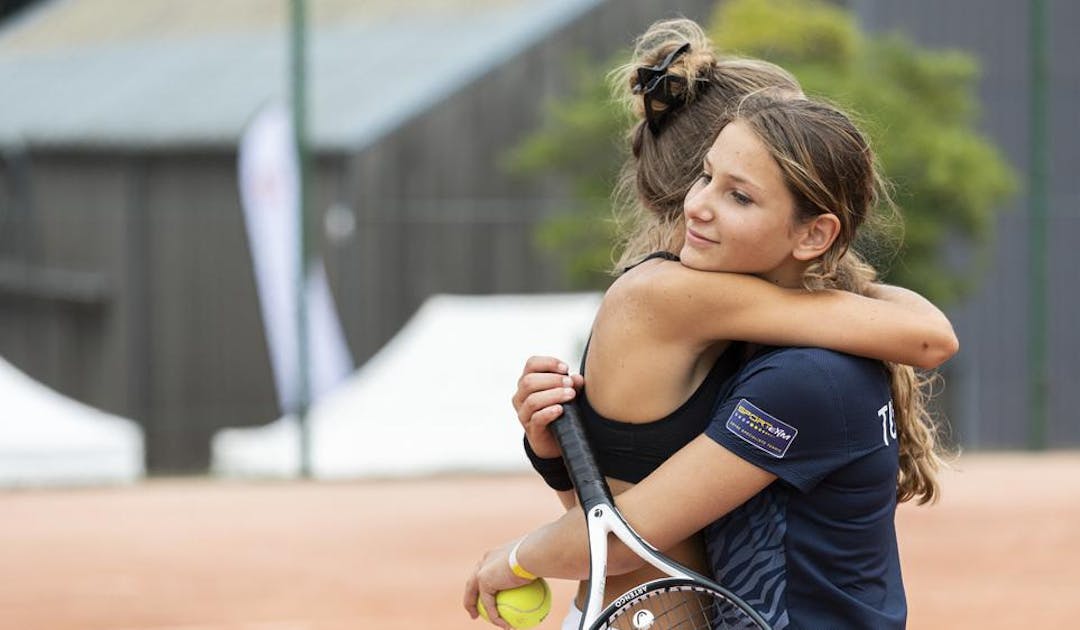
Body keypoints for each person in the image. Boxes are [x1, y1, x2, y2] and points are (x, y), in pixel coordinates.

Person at [465, 20, 954, 630]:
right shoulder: (688, 302)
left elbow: (620, 528)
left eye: (740, 193)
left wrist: (526, 537)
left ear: (813, 229)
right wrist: (561, 470)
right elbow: (624, 526)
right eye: (711, 179)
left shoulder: (797, 358)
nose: (706, 203)